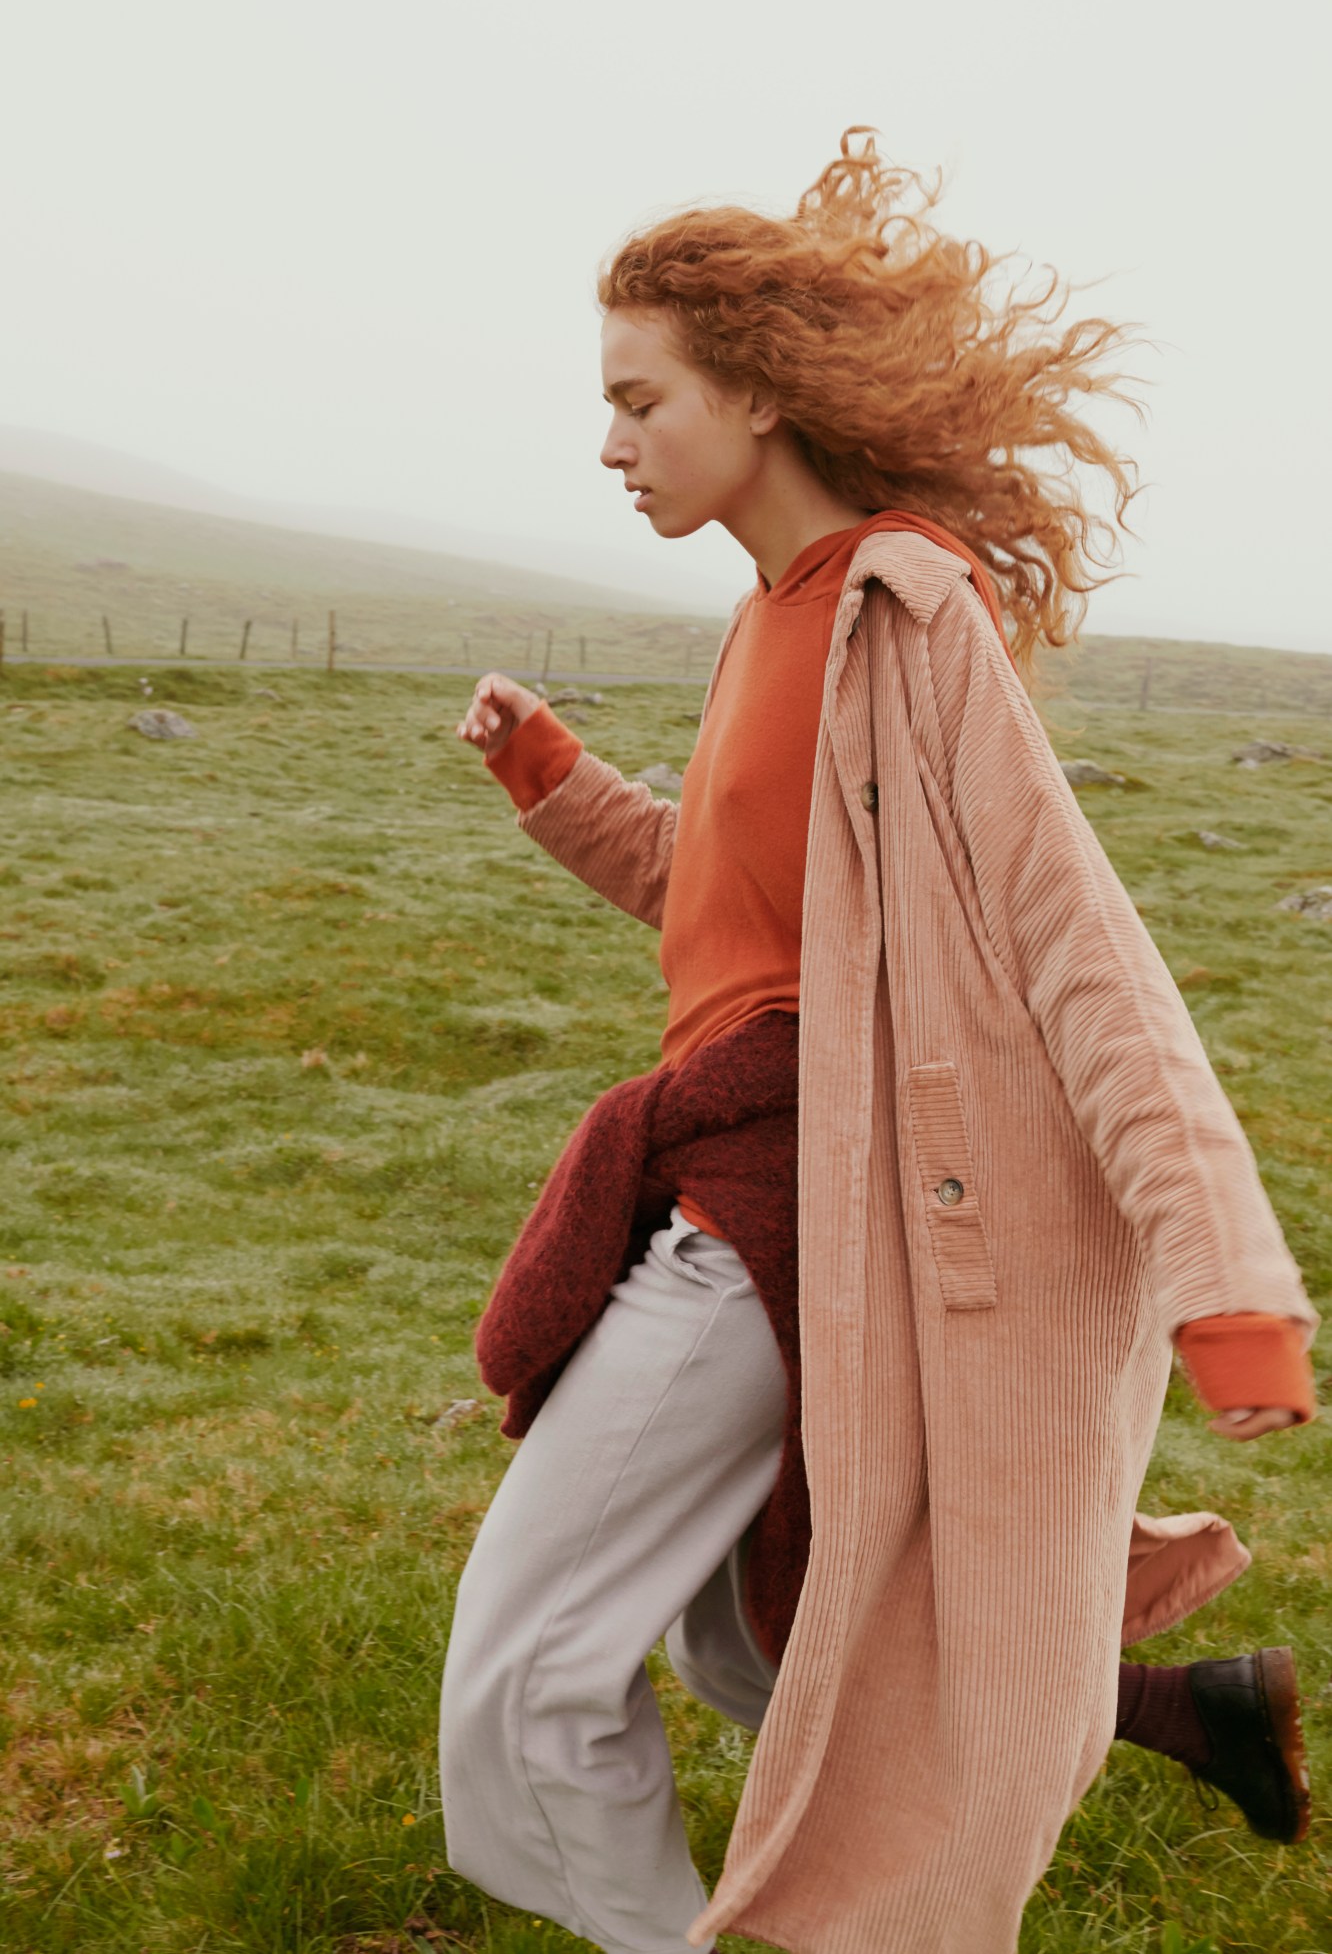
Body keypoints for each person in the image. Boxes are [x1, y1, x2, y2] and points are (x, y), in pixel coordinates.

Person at [441, 131, 1319, 1954]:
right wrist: (552, 776)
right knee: (756, 1634)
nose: (609, 446)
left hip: (791, 1201)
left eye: (638, 401)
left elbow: (1082, 950)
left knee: (533, 1672)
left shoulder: (901, 609)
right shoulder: (770, 619)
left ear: (756, 392)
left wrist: (1224, 1286)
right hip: (744, 1161)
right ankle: (1182, 1711)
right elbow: (747, 915)